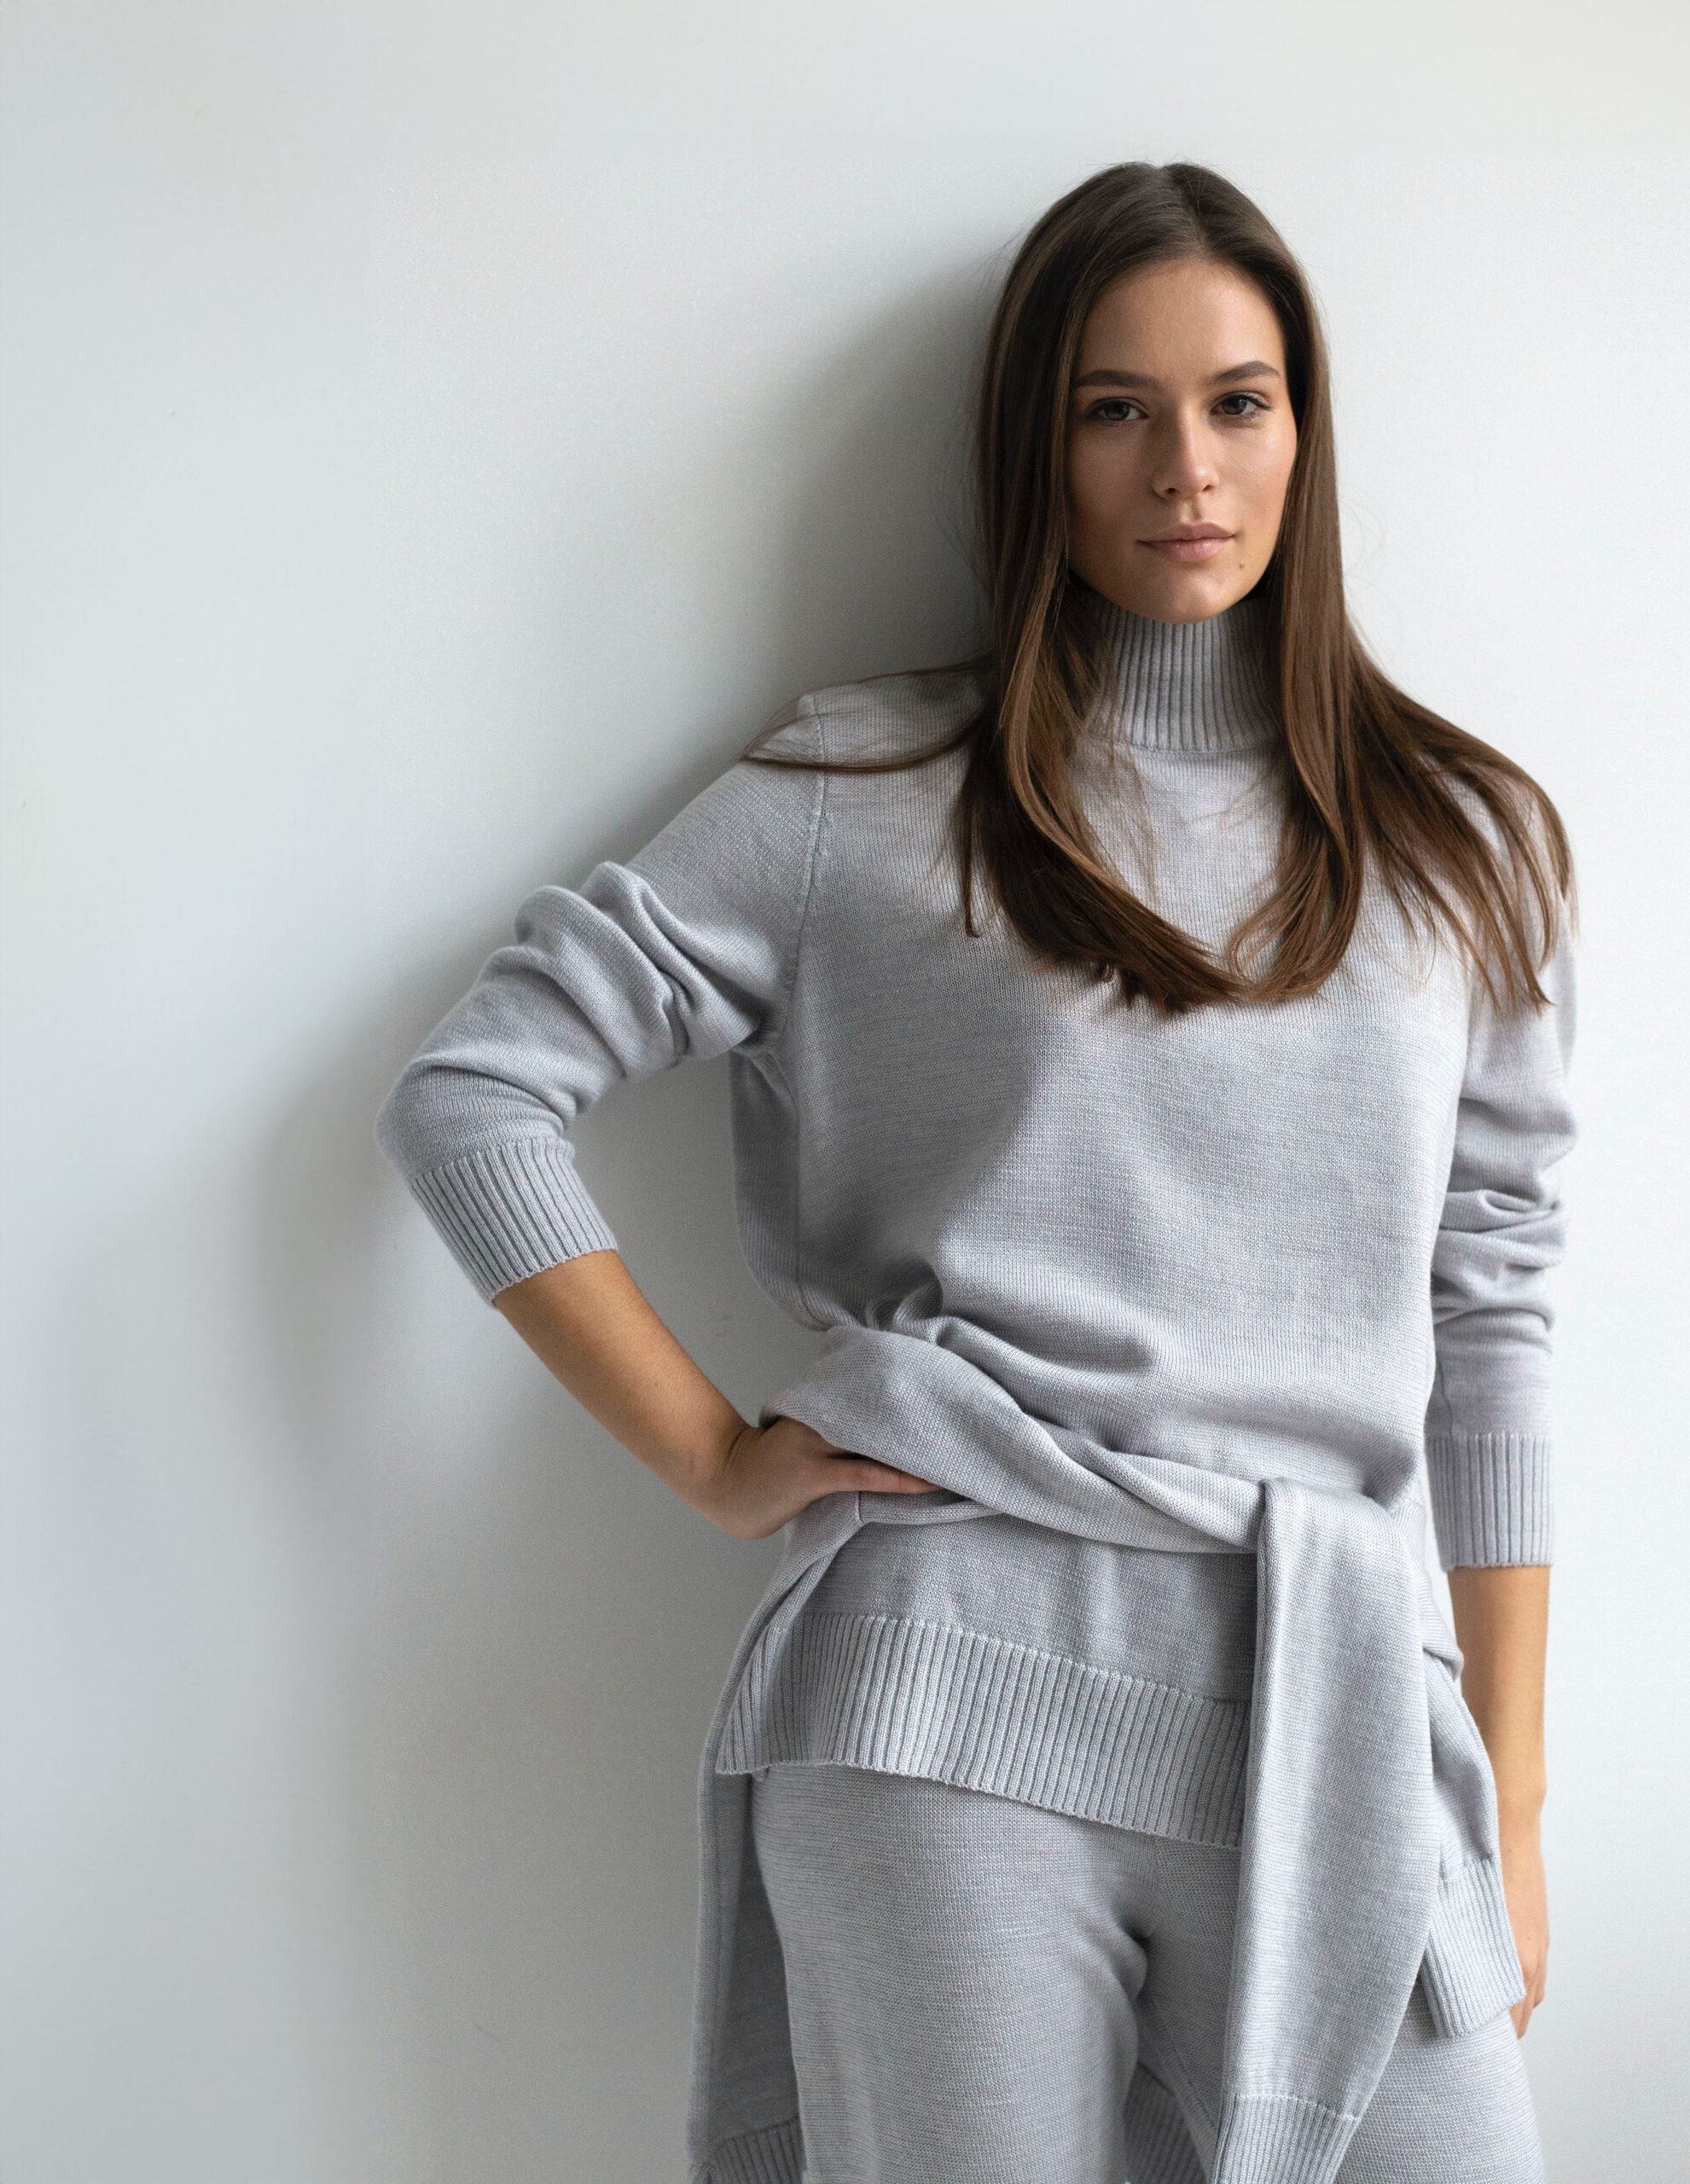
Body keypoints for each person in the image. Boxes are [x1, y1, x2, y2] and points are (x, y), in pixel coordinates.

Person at [377, 159, 1577, 2184]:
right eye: (1113, 408)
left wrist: (1514, 1802)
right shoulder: (859, 791)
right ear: (1035, 445)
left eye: (1236, 400)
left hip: (1336, 1702)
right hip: (942, 1681)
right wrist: (710, 1452)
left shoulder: (1460, 841)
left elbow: (1495, 1309)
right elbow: (474, 1090)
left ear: (1302, 430)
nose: (1182, 466)